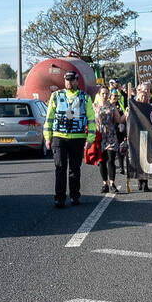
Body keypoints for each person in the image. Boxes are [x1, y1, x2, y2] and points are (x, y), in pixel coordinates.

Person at [43, 69, 96, 207]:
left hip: (78, 138)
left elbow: (91, 119)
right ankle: (59, 198)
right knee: (60, 167)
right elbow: (49, 118)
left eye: (72, 80)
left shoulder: (85, 97)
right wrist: (47, 137)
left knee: (75, 169)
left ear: (77, 81)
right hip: (59, 137)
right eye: (67, 80)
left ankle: (74, 195)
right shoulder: (56, 96)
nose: (69, 82)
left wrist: (90, 139)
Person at [96, 90, 123, 194]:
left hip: (110, 135)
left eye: (106, 93)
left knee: (111, 159)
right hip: (99, 136)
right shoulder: (94, 106)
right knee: (101, 161)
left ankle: (112, 183)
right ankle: (104, 183)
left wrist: (126, 113)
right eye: (102, 93)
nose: (104, 95)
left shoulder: (112, 106)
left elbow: (119, 120)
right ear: (99, 94)